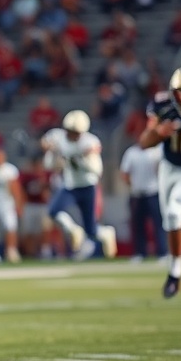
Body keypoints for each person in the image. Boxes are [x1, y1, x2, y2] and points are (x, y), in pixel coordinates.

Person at [138, 65, 181, 298]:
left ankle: (175, 274)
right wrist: (158, 133)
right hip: (168, 167)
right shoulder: (163, 107)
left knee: (175, 213)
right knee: (171, 220)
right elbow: (144, 143)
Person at [41, 110, 117, 261]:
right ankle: (73, 230)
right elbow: (45, 148)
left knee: (91, 231)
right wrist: (51, 150)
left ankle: (107, 233)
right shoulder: (59, 137)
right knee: (53, 211)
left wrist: (81, 159)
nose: (72, 135)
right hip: (70, 185)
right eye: (70, 131)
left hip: (88, 186)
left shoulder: (90, 142)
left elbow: (97, 170)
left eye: (76, 132)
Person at [120, 138, 166, 263]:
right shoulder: (131, 153)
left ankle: (162, 252)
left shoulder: (156, 152)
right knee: (137, 225)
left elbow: (162, 170)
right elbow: (124, 173)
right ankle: (140, 252)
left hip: (153, 192)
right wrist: (133, 185)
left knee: (158, 224)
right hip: (137, 194)